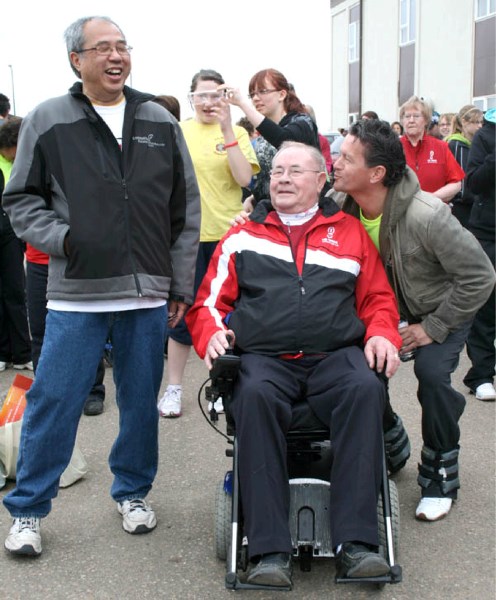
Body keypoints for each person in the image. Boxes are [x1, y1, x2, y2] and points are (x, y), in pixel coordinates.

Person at [1, 15, 200, 556]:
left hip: (148, 296)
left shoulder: (158, 118)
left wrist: (180, 281)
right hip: (78, 293)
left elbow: (185, 207)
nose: (116, 57)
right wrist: (65, 238)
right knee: (53, 401)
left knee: (140, 403)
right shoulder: (48, 119)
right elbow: (21, 199)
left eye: (123, 47)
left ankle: (132, 492)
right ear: (77, 60)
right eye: (103, 48)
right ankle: (27, 511)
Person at [187, 141, 403, 587]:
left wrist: (382, 332)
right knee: (253, 394)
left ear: (321, 180)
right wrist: (212, 336)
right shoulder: (244, 234)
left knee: (365, 388)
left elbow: (378, 298)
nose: (282, 178)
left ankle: (357, 546)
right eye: (277, 171)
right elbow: (207, 302)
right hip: (264, 359)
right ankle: (268, 552)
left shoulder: (347, 232)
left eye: (295, 171)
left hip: (335, 356)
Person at [331, 119, 495, 522]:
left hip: (441, 311)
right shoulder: (339, 205)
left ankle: (440, 469)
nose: (335, 164)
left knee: (434, 377)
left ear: (377, 173)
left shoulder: (428, 215)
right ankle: (390, 440)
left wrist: (432, 328)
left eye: (346, 158)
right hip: (379, 315)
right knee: (360, 376)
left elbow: (480, 277)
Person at [157, 69, 259, 418]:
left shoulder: (239, 131)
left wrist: (228, 128)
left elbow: (245, 178)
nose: (208, 102)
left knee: (228, 317)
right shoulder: (178, 130)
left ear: (225, 97)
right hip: (186, 238)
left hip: (228, 236)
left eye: (215, 95)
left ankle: (222, 386)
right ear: (191, 98)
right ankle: (173, 388)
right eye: (201, 96)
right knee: (182, 315)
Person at [222, 68, 319, 208]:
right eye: (252, 94)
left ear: (282, 94)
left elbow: (284, 141)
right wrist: (253, 198)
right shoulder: (262, 137)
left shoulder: (302, 123)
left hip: (302, 210)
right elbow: (265, 178)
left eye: (263, 91)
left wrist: (243, 104)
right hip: (270, 212)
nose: (255, 98)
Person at [462, 108, 496, 401]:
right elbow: (473, 183)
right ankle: (482, 374)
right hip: (489, 232)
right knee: (487, 305)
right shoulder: (486, 135)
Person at [0, 118, 33, 372]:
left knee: (15, 293)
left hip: (10, 232)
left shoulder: (21, 159)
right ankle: (3, 353)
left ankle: (22, 353)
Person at [399, 96, 464, 203]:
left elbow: (456, 183)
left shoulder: (441, 147)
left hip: (434, 211)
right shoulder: (393, 147)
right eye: (407, 116)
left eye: (416, 116)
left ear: (426, 120)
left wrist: (432, 198)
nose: (411, 120)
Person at [445, 105, 483, 227]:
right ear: (464, 122)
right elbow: (458, 176)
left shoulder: (478, 144)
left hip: (475, 203)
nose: (479, 126)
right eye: (475, 122)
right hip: (460, 205)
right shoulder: (455, 144)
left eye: (481, 122)